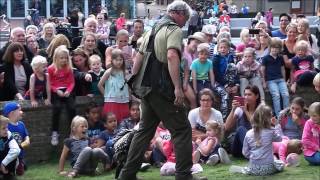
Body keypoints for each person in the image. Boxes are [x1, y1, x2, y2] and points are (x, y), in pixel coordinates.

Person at [118, 1, 204, 180]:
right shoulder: (173, 30)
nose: (185, 23)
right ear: (178, 13)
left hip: (147, 89)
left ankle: (127, 175)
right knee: (182, 130)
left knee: (144, 132)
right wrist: (178, 89)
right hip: (163, 89)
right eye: (185, 18)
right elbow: (172, 56)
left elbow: (139, 57)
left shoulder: (151, 29)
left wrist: (133, 82)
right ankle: (184, 175)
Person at [230, 104, 284, 176]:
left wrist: (253, 157)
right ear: (268, 119)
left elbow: (245, 152)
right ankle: (248, 169)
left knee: (251, 167)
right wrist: (277, 125)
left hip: (254, 168)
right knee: (280, 163)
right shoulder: (271, 131)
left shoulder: (248, 133)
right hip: (269, 169)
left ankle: (246, 169)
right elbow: (280, 139)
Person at [48, 45, 76, 146]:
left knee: (72, 108)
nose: (64, 60)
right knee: (57, 108)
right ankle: (54, 132)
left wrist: (68, 91)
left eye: (66, 58)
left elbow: (72, 82)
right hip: (56, 92)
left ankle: (73, 131)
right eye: (61, 58)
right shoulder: (51, 69)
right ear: (56, 58)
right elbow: (49, 83)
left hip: (67, 91)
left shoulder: (69, 68)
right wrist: (56, 90)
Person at [225, 85, 261, 157]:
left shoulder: (261, 110)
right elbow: (227, 127)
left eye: (249, 95)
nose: (246, 97)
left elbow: (257, 126)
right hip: (239, 147)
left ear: (256, 96)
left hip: (256, 142)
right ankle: (254, 154)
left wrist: (246, 111)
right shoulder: (240, 109)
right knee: (240, 129)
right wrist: (233, 109)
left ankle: (254, 153)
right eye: (245, 95)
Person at [98, 49, 129, 123]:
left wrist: (129, 95)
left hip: (123, 100)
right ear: (112, 60)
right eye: (116, 60)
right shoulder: (109, 72)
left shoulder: (125, 72)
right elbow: (100, 85)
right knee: (112, 120)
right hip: (111, 101)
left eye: (120, 60)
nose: (119, 62)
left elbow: (127, 85)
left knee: (123, 121)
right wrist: (106, 95)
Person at [261, 37, 289, 118]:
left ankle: (286, 114)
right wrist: (264, 81)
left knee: (285, 95)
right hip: (271, 81)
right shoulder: (266, 58)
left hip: (280, 80)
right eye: (273, 47)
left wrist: (284, 80)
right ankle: (279, 115)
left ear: (280, 49)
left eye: (277, 48)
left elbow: (282, 69)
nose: (274, 50)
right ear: (270, 47)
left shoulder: (280, 58)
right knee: (276, 95)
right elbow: (262, 69)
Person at [212, 38, 239, 119]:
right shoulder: (216, 58)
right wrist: (226, 85)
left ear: (228, 49)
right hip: (218, 82)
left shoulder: (230, 57)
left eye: (225, 48)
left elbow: (234, 72)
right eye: (221, 47)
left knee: (232, 66)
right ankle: (223, 117)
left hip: (229, 81)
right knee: (225, 94)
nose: (223, 49)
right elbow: (216, 74)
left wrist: (236, 84)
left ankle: (236, 116)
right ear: (218, 49)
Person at [3, 102, 30, 176]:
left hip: (20, 155)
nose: (21, 112)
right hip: (9, 156)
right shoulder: (5, 127)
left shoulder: (21, 124)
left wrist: (27, 140)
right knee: (10, 173)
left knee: (20, 172)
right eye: (19, 110)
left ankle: (21, 164)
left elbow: (26, 135)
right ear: (11, 113)